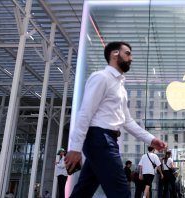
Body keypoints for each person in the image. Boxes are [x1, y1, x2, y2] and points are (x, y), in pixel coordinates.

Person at [65, 41, 167, 198]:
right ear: (114, 54)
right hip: (100, 140)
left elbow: (127, 121)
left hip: (104, 140)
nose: (131, 58)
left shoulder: (120, 87)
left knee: (83, 191)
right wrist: (75, 148)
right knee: (121, 192)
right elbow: (85, 112)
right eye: (128, 53)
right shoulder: (101, 77)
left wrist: (151, 140)